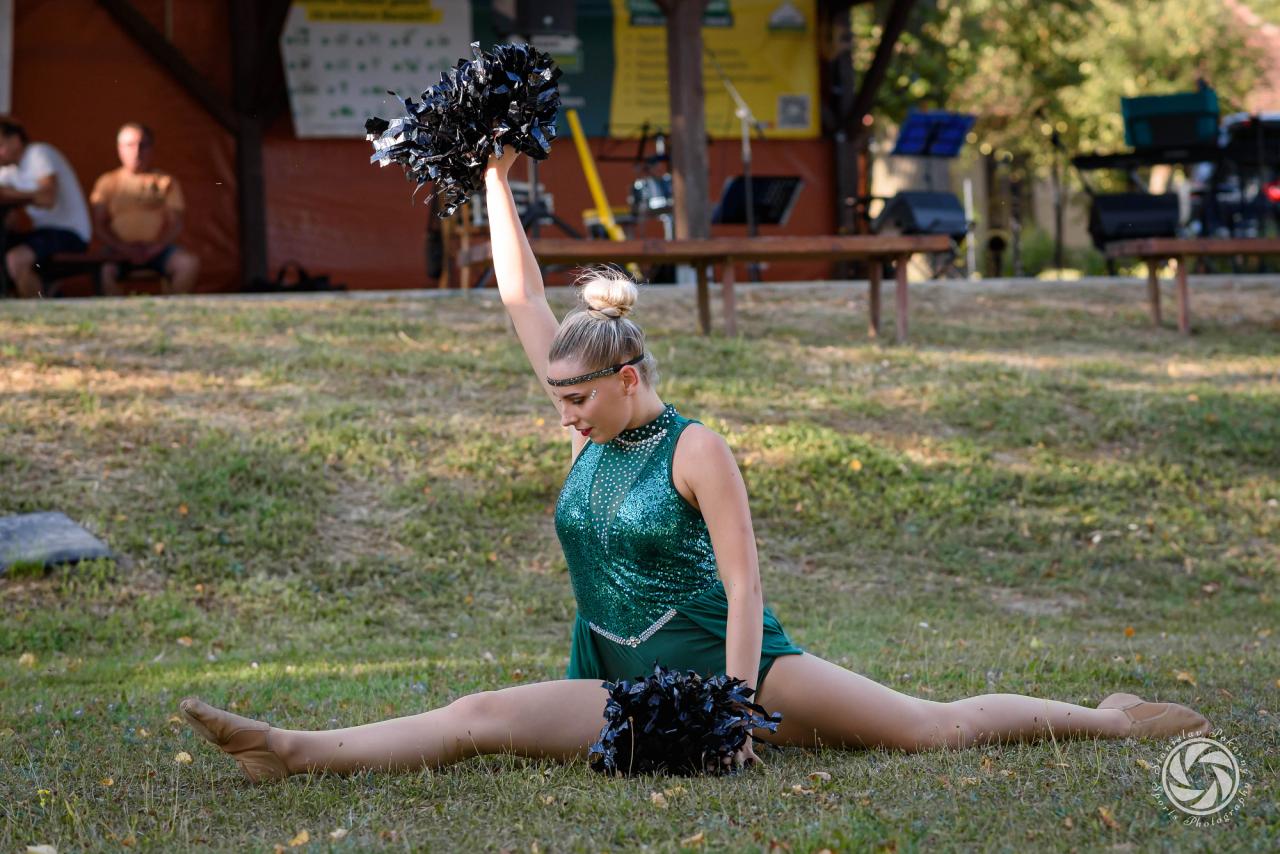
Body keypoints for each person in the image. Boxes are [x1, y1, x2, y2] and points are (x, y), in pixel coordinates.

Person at [181, 152, 1210, 782]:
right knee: (480, 717)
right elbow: (522, 300)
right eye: (555, 397)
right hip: (618, 677)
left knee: (926, 729)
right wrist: (494, 176)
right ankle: (295, 747)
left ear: (626, 376)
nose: (560, 412)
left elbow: (745, 586)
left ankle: (1105, 719)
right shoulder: (586, 424)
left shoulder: (696, 447)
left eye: (574, 397)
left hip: (738, 669)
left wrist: (732, 708)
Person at [89, 122, 199, 295]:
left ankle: (173, 308)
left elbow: (175, 223)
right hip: (118, 251)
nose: (136, 151)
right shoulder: (107, 183)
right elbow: (100, 225)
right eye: (130, 145)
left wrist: (155, 247)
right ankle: (114, 311)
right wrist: (123, 248)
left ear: (151, 148)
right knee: (102, 269)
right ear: (119, 148)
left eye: (142, 145)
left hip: (157, 250)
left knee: (188, 263)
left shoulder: (166, 181)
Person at [0, 117, 91, 298]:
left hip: (70, 234)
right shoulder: (8, 171)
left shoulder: (38, 153)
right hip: (42, 234)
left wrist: (11, 194)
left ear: (16, 140)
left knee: (16, 259)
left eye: (0, 145)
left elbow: (47, 199)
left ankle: (39, 310)